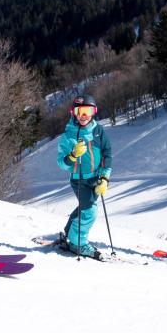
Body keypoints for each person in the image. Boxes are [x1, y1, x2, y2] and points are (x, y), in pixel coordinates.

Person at [55, 95, 112, 258]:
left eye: (88, 111)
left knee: (85, 206)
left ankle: (68, 232)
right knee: (89, 211)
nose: (84, 116)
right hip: (78, 179)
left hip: (96, 178)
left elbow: (107, 154)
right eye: (80, 111)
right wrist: (72, 155)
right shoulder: (68, 136)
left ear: (93, 112)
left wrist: (104, 178)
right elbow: (61, 163)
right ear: (73, 112)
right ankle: (77, 243)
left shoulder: (98, 131)